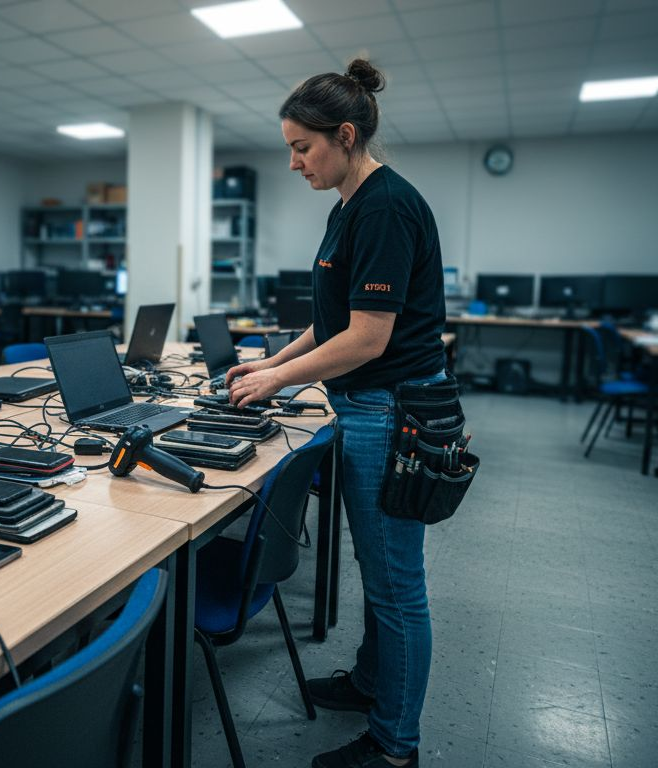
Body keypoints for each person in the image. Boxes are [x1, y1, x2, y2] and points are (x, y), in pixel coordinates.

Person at [225, 59, 447, 768]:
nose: (293, 162)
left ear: (345, 134)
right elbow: (332, 321)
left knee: (395, 583)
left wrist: (280, 379)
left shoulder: (383, 206)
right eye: (290, 147)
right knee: (376, 564)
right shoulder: (350, 204)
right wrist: (272, 364)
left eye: (302, 146)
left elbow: (370, 338)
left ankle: (394, 747)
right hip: (371, 404)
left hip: (390, 409)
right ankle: (373, 682)